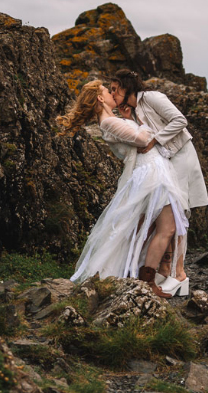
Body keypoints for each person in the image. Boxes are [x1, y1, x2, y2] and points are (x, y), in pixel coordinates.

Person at [58, 80, 189, 298]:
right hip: (151, 173)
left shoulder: (112, 120)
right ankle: (149, 281)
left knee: (160, 227)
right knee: (166, 227)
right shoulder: (107, 123)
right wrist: (148, 128)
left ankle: (154, 276)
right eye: (107, 91)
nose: (112, 94)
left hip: (153, 170)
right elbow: (140, 139)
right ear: (100, 98)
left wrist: (129, 119)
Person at [109, 70, 208, 296]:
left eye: (115, 88)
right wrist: (128, 119)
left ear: (127, 87)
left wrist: (156, 140)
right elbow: (140, 136)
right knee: (165, 213)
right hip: (164, 162)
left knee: (178, 212)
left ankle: (179, 273)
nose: (112, 93)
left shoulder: (151, 97)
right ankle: (166, 268)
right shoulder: (134, 110)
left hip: (180, 156)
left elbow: (180, 120)